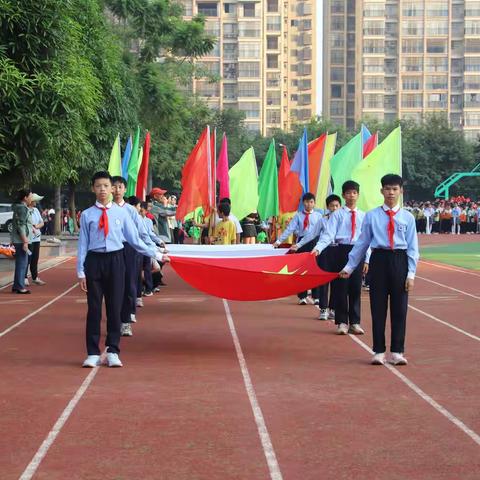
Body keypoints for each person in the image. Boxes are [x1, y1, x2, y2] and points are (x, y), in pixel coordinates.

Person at [77, 171, 167, 368]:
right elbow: (83, 244)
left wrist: (156, 255)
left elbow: (135, 240)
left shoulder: (123, 213)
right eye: (98, 186)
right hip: (94, 261)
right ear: (93, 188)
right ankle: (92, 352)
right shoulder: (87, 215)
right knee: (93, 309)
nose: (102, 190)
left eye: (106, 186)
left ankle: (113, 350)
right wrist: (80, 271)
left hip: (116, 260)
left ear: (111, 188)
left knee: (114, 307)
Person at [339, 174, 419, 366]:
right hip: (379, 260)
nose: (391, 193)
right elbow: (362, 243)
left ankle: (398, 351)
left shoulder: (408, 217)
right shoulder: (372, 216)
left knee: (400, 309)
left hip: (400, 261)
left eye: (395, 189)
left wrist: (411, 274)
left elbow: (413, 247)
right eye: (387, 189)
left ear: (401, 191)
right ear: (381, 191)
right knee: (378, 308)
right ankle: (379, 351)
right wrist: (349, 267)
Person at [312, 181, 367, 335]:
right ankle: (342, 322)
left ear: (358, 194)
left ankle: (355, 322)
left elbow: (367, 238)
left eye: (354, 192)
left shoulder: (364, 216)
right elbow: (328, 235)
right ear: (343, 195)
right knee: (340, 288)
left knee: (356, 288)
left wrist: (367, 259)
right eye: (348, 193)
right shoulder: (337, 215)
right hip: (341, 251)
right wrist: (318, 248)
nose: (351, 195)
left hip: (358, 251)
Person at [112, 177, 159, 337]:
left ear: (125, 190)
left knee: (129, 282)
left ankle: (126, 318)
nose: (117, 190)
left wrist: (152, 251)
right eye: (114, 187)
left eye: (120, 187)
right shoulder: (106, 209)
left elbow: (141, 232)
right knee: (113, 286)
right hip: (112, 250)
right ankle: (116, 318)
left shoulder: (131, 210)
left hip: (129, 248)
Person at [274, 192, 323, 305]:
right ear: (303, 203)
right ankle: (302, 296)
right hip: (301, 243)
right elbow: (289, 229)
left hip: (315, 243)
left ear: (314, 204)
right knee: (302, 270)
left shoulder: (318, 216)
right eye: (306, 202)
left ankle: (316, 296)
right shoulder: (298, 216)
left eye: (311, 202)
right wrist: (278, 241)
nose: (308, 204)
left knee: (315, 269)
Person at [11, 189, 33, 294]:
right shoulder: (22, 209)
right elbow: (21, 226)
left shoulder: (19, 208)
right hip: (21, 240)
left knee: (20, 263)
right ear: (25, 197)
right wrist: (25, 241)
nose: (31, 199)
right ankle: (20, 286)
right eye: (30, 196)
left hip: (18, 239)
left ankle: (17, 285)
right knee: (22, 263)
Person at [26, 193, 46, 286]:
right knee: (28, 258)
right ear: (31, 201)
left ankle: (35, 277)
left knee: (35, 258)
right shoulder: (25, 210)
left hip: (37, 238)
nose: (36, 202)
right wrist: (32, 228)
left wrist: (36, 227)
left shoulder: (36, 210)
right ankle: (24, 277)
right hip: (29, 239)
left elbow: (42, 223)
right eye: (35, 200)